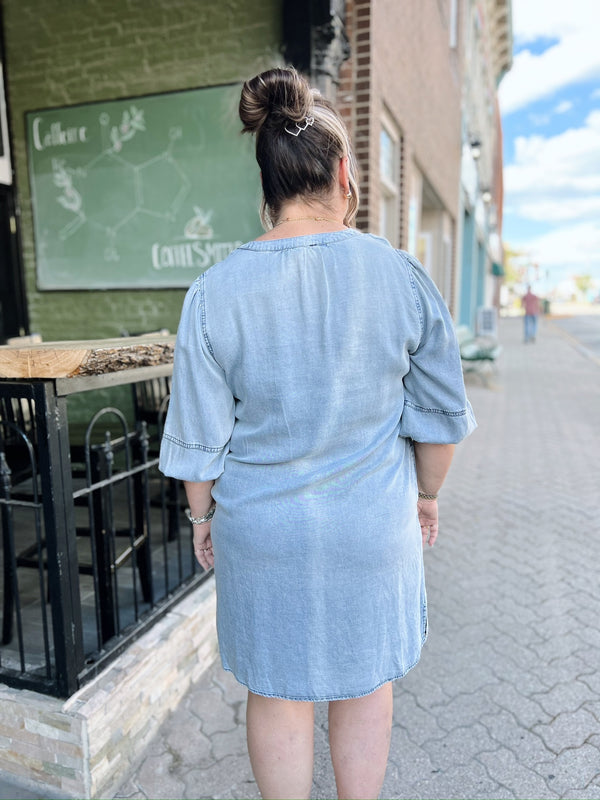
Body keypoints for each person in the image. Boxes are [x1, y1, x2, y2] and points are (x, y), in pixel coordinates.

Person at [159, 67, 476, 800]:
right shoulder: (401, 277)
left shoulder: (214, 292)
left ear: (266, 185)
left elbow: (199, 439)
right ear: (342, 173)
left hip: (263, 534)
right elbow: (441, 423)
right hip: (372, 530)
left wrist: (201, 516)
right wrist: (427, 497)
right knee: (366, 686)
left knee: (275, 692)